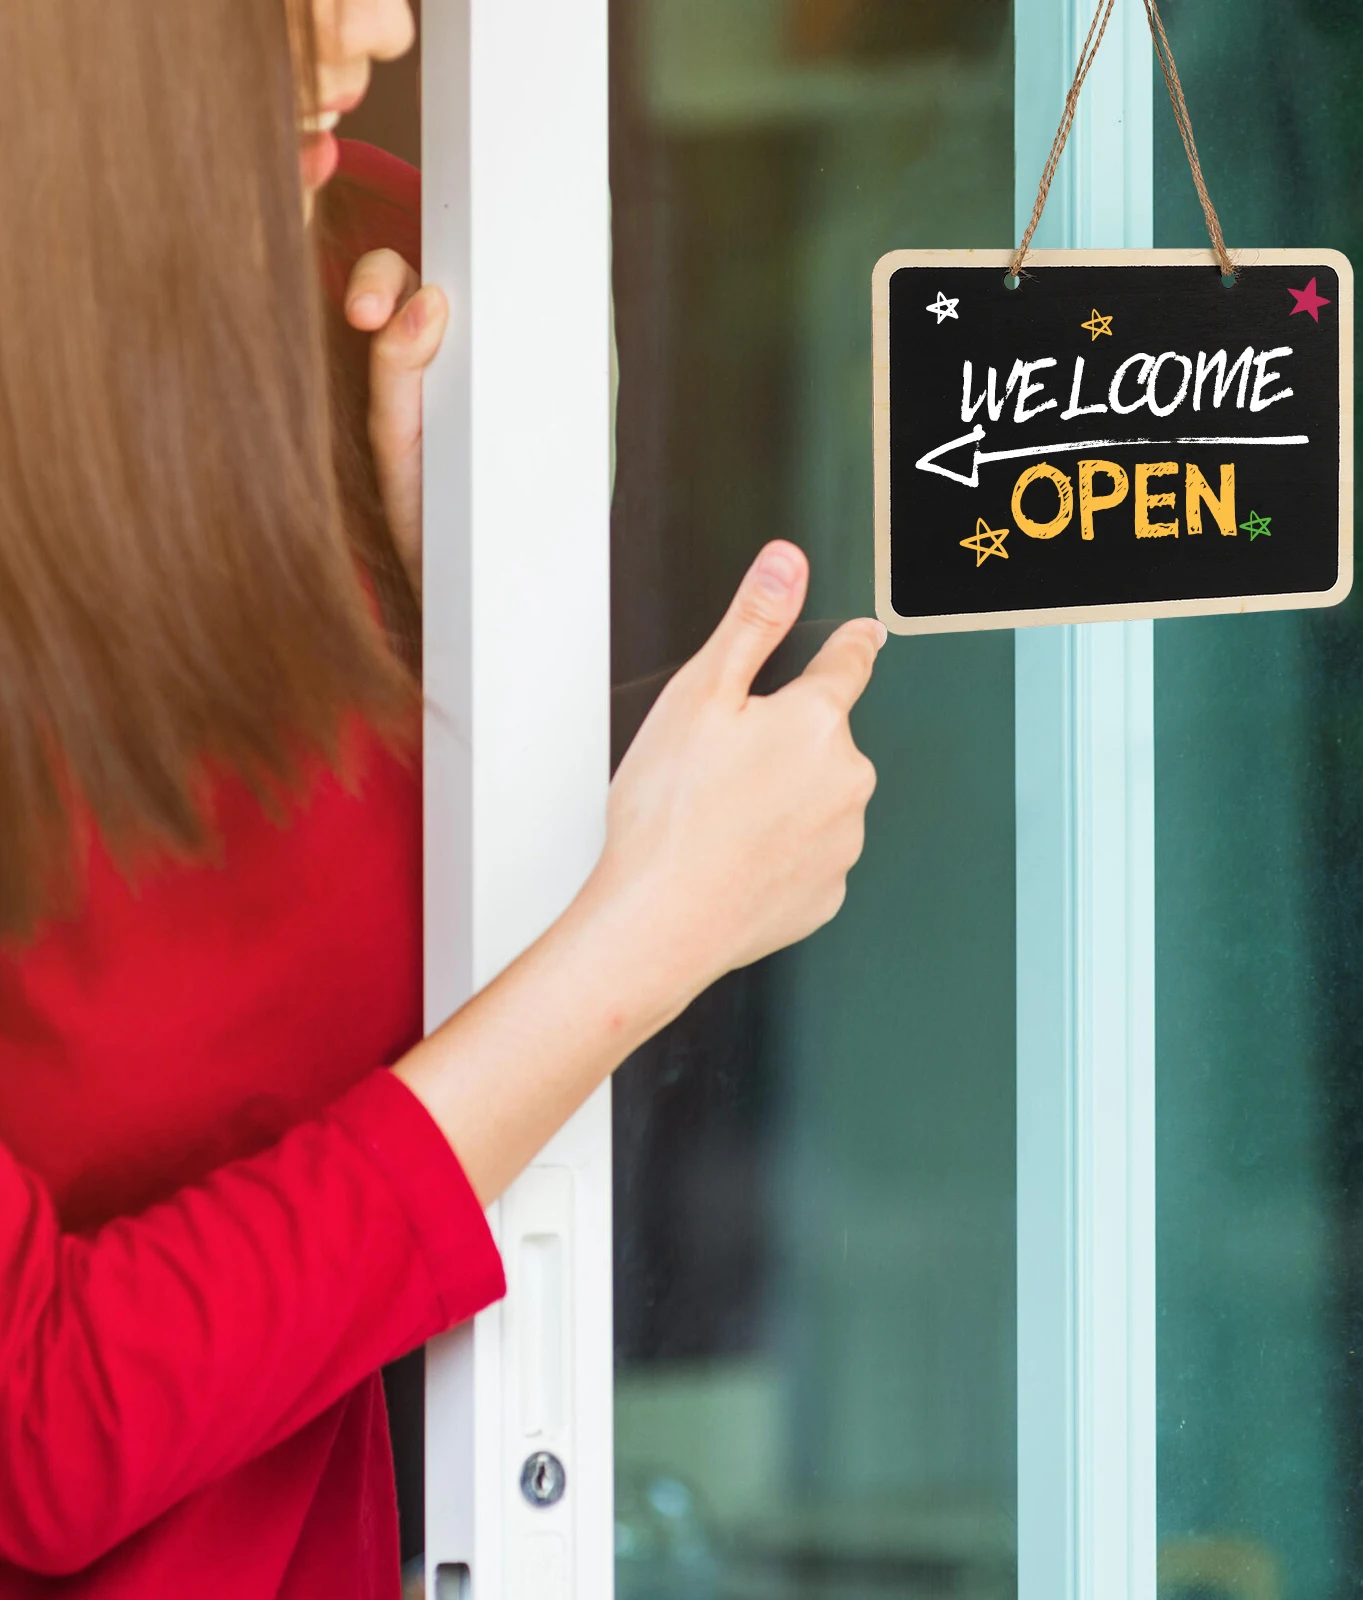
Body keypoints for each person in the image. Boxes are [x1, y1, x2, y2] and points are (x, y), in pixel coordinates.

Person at [0, 0, 883, 1594]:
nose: (382, 23)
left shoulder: (389, 268)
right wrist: (641, 944)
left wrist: (457, 629)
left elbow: (426, 1009)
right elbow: (41, 1435)